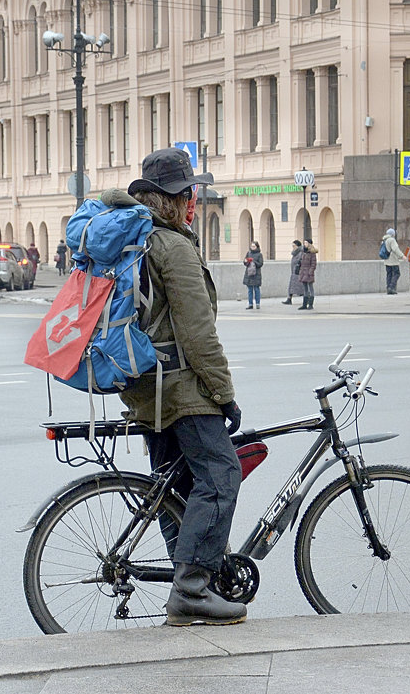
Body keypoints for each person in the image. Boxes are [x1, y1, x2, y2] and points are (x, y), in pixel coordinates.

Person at [104, 147, 245, 626]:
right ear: (176, 198)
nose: (192, 202)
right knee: (221, 476)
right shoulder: (173, 247)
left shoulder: (138, 241)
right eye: (188, 194)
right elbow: (198, 333)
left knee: (176, 492)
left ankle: (188, 584)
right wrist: (224, 395)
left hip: (145, 386)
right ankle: (191, 588)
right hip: (180, 388)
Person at [381, 228, 405, 294]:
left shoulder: (384, 240)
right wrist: (402, 256)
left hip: (386, 260)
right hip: (393, 260)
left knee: (389, 274)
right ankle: (391, 287)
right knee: (397, 274)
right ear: (392, 234)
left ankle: (388, 288)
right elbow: (395, 249)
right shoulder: (392, 240)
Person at [242, 241, 264, 309]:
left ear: (257, 247)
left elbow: (260, 264)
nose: (252, 247)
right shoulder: (249, 253)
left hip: (256, 274)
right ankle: (250, 304)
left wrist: (253, 261)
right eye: (252, 246)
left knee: (256, 289)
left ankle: (258, 303)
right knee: (250, 289)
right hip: (249, 273)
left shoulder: (259, 254)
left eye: (254, 246)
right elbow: (245, 262)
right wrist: (246, 261)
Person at [297, 238, 317, 310]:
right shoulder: (303, 252)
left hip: (308, 273)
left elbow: (313, 264)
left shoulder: (312, 253)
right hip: (303, 272)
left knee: (310, 288)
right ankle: (304, 304)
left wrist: (310, 272)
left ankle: (310, 304)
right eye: (304, 243)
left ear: (309, 244)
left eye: (306, 243)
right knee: (305, 288)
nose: (304, 244)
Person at [282, 239, 304, 305]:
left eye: (294, 246)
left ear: (298, 246)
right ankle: (289, 299)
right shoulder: (295, 253)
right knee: (291, 287)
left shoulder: (300, 253)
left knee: (301, 287)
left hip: (298, 273)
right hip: (294, 272)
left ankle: (306, 299)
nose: (293, 247)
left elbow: (301, 262)